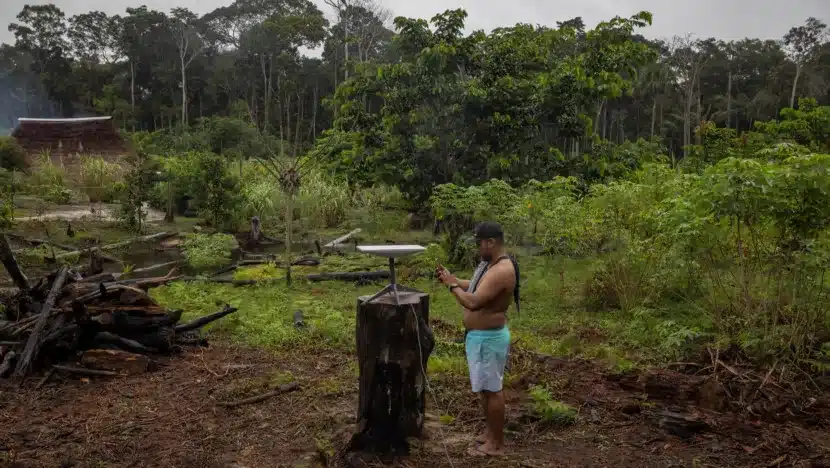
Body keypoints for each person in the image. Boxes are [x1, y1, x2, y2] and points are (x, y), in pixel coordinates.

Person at [436, 221, 517, 457]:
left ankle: (497, 444)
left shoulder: (502, 270)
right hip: (480, 338)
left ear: (490, 242)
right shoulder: (489, 265)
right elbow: (472, 287)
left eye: (480, 243)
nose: (478, 248)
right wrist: (451, 279)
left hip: (489, 339)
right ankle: (490, 433)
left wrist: (452, 288)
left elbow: (473, 301)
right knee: (484, 389)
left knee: (492, 391)